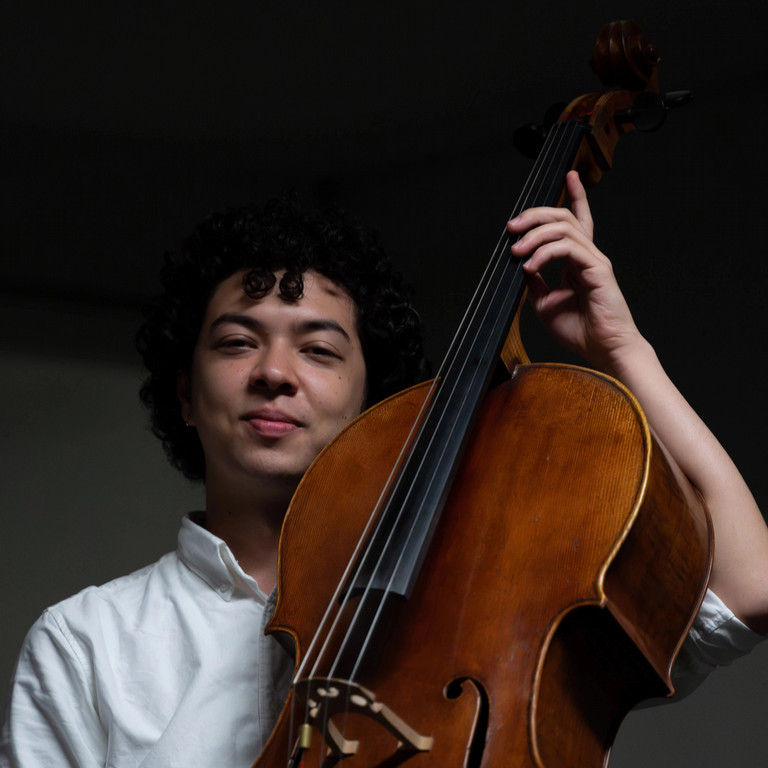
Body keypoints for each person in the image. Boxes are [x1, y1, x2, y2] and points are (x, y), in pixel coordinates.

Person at [1, 172, 766, 767]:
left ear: (376, 404)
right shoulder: (87, 641)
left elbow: (750, 587)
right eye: (237, 342)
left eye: (320, 349)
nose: (274, 372)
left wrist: (622, 350)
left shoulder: (487, 591)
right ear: (187, 395)